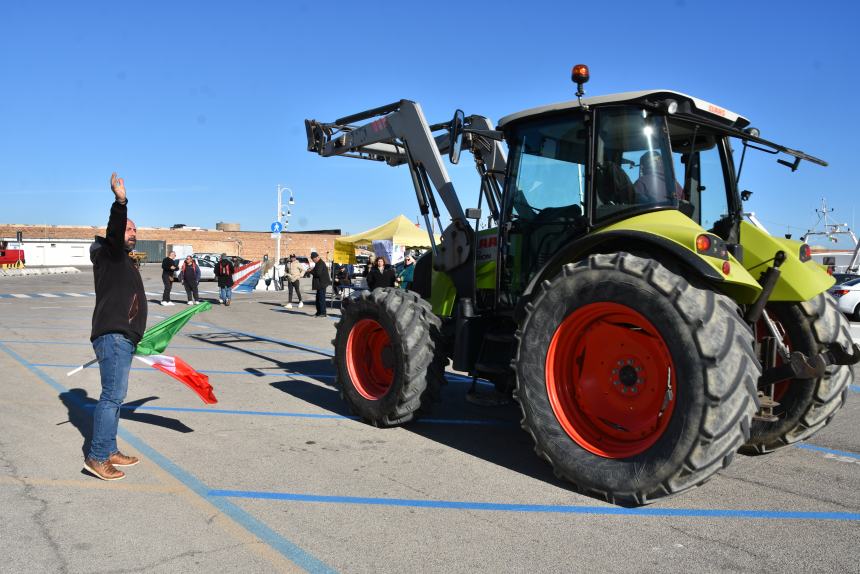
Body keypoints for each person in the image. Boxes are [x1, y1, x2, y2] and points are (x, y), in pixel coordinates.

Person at [83, 172, 145, 481]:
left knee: (115, 397)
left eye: (135, 229)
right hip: (113, 336)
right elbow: (114, 229)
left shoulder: (125, 261)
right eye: (129, 228)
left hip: (124, 337)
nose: (133, 232)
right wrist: (121, 201)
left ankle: (109, 449)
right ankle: (97, 457)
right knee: (111, 397)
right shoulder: (110, 255)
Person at [310, 251, 331, 317]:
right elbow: (317, 271)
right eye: (312, 260)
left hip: (322, 284)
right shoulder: (318, 263)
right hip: (320, 284)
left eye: (313, 259)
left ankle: (323, 313)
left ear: (317, 257)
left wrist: (311, 271)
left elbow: (318, 273)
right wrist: (312, 270)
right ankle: (319, 312)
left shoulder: (321, 263)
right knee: (318, 299)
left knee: (321, 299)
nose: (313, 261)